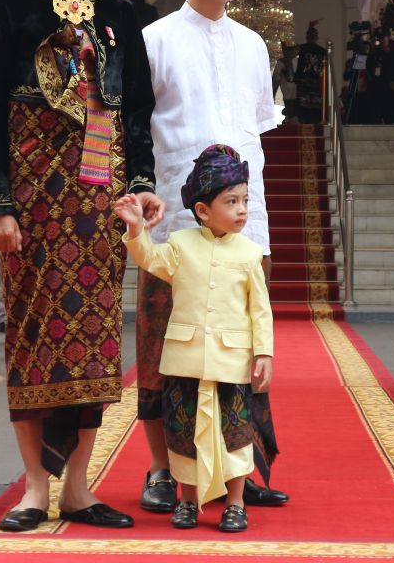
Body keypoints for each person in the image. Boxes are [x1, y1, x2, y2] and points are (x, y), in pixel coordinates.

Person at [0, 0, 161, 532]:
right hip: (29, 202)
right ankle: (33, 487)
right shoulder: (10, 5)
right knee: (29, 339)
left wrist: (140, 186)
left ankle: (78, 488)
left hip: (97, 205)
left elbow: (136, 113)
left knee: (92, 345)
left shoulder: (121, 15)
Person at [138, 0, 286, 514]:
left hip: (246, 225)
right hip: (175, 222)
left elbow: (253, 129)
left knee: (241, 347)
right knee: (163, 350)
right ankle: (161, 472)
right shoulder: (155, 41)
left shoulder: (253, 44)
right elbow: (135, 131)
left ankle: (237, 470)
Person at [117, 145, 274, 533]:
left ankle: (235, 503)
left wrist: (264, 352)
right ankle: (188, 501)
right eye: (231, 201)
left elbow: (260, 310)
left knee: (236, 434)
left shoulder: (251, 253)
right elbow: (150, 260)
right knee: (183, 434)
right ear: (203, 210)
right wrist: (137, 230)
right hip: (185, 360)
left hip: (231, 362)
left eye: (245, 201)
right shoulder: (181, 245)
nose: (242, 209)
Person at [293, 21, 328, 123]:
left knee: (309, 110)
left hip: (311, 83)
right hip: (311, 83)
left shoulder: (302, 48)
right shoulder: (321, 51)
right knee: (309, 110)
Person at [272, 41, 298, 123]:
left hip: (295, 88)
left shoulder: (296, 61)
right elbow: (275, 79)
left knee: (293, 100)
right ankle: (289, 116)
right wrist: (272, 94)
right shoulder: (281, 62)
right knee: (288, 100)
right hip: (286, 88)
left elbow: (275, 79)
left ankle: (292, 116)